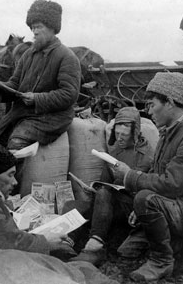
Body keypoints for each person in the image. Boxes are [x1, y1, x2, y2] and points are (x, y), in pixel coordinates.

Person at [0, 144, 117, 284]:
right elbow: (7, 242)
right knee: (56, 270)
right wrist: (46, 241)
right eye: (10, 175)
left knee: (64, 266)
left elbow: (5, 237)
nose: (15, 182)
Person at [113, 72, 183, 283]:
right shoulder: (169, 131)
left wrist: (130, 176)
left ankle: (162, 261)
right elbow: (156, 172)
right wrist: (137, 207)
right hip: (174, 207)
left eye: (151, 105)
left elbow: (172, 184)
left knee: (144, 198)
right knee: (126, 250)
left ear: (169, 102)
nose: (148, 111)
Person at [0, 0, 81, 151]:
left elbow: (69, 94)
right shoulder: (28, 55)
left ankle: (16, 175)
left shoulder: (67, 57)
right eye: (32, 28)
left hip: (53, 117)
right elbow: (15, 84)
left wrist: (37, 99)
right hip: (22, 112)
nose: (34, 32)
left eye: (39, 27)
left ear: (52, 28)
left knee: (16, 144)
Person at [65, 107, 154, 266]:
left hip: (132, 207)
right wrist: (93, 188)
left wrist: (125, 177)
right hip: (112, 200)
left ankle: (94, 248)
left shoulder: (146, 155)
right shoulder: (116, 151)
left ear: (134, 134)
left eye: (124, 135)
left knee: (105, 193)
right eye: (117, 134)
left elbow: (145, 188)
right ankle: (67, 242)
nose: (119, 138)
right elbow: (104, 180)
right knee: (76, 205)